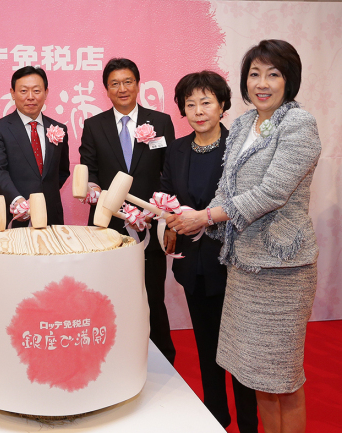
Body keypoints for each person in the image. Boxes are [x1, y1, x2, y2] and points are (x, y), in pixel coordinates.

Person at [167, 40, 321, 433]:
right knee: (256, 378)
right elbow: (227, 188)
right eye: (255, 74)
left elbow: (271, 193)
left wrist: (205, 216)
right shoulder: (241, 126)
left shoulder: (298, 124)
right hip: (243, 267)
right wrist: (200, 220)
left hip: (282, 269)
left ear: (290, 79)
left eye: (273, 73)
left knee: (283, 379)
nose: (262, 83)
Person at [160, 71, 258, 432]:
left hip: (233, 264)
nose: (198, 110)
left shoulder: (241, 149)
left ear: (222, 105)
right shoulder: (177, 149)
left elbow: (245, 204)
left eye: (206, 102)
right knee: (206, 346)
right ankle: (216, 416)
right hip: (193, 267)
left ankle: (249, 423)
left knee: (240, 352)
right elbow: (167, 195)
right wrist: (170, 219)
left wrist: (204, 220)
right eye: (190, 104)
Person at [79, 58, 176, 364]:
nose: (122, 89)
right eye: (114, 83)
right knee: (110, 295)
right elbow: (89, 169)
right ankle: (114, 357)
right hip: (110, 226)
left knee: (151, 293)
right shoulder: (93, 126)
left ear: (138, 84)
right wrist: (92, 188)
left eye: (128, 82)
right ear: (106, 89)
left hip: (150, 223)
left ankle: (161, 357)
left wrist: (164, 217)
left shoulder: (160, 122)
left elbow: (169, 173)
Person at [0, 66, 70, 226]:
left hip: (51, 218)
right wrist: (17, 200)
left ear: (46, 93)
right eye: (23, 91)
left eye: (36, 91)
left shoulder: (59, 129)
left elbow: (62, 172)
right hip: (12, 217)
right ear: (13, 93)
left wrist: (45, 193)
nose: (30, 97)